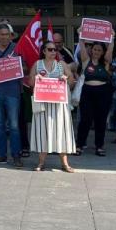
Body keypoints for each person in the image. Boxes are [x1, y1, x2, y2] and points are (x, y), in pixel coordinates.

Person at [30, 40, 76, 172]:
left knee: (61, 131)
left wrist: (65, 79)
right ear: (43, 51)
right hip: (43, 105)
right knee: (42, 131)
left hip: (59, 105)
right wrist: (37, 78)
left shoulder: (61, 64)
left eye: (54, 49)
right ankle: (41, 163)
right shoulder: (37, 64)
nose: (53, 52)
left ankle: (65, 163)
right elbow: (30, 82)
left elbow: (72, 81)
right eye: (50, 49)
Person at [0, 22, 24, 168]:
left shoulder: (16, 48)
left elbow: (25, 67)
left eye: (7, 34)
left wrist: (15, 64)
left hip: (12, 93)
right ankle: (1, 155)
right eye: (1, 34)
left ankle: (16, 155)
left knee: (14, 126)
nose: (4, 37)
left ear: (10, 35)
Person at [75, 39, 114, 157]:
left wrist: (112, 38)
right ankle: (79, 145)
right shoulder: (86, 61)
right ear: (91, 50)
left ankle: (99, 146)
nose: (96, 51)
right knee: (85, 120)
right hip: (87, 92)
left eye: (99, 50)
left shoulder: (106, 63)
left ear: (102, 52)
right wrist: (80, 37)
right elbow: (81, 47)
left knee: (100, 120)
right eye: (95, 49)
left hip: (103, 93)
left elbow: (110, 50)